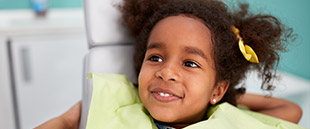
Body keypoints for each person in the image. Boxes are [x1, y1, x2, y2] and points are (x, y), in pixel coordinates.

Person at [35, 0, 302, 128]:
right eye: (155, 58)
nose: (166, 72)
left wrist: (224, 98)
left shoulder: (228, 120)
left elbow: (289, 110)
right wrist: (68, 120)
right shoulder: (118, 104)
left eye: (190, 63)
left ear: (218, 90)